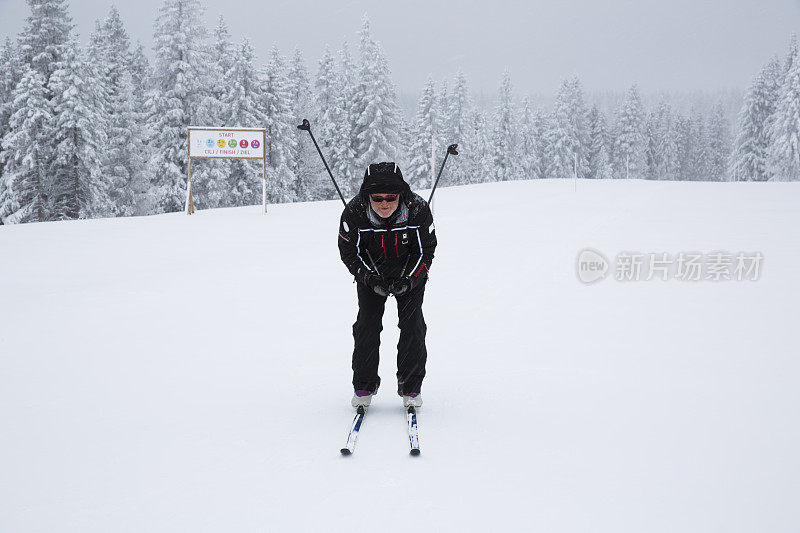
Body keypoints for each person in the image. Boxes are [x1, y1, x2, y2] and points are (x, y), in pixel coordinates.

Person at [338, 162, 437, 409]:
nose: (384, 203)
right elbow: (349, 252)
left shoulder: (418, 210)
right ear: (367, 196)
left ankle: (411, 388)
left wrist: (411, 280)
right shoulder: (355, 212)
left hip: (409, 275)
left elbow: (426, 251)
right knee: (366, 327)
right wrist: (368, 278)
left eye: (391, 197)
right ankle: (363, 386)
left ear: (401, 195)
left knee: (413, 326)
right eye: (377, 198)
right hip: (372, 277)